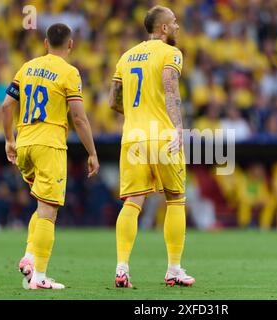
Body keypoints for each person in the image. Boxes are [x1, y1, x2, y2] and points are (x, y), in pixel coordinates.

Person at [1, 23, 99, 290]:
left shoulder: (27, 67)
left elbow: (6, 105)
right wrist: (92, 152)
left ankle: (30, 257)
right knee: (48, 211)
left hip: (24, 144)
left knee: (41, 203)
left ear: (45, 43)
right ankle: (40, 277)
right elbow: (78, 117)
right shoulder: (69, 72)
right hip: (50, 146)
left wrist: (10, 139)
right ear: (70, 45)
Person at [109, 5, 195, 288]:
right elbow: (170, 89)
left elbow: (113, 101)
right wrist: (178, 127)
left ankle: (122, 268)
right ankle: (173, 269)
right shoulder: (171, 53)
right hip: (162, 136)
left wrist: (137, 116)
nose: (178, 27)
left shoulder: (126, 56)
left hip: (132, 138)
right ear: (163, 28)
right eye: (174, 22)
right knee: (176, 199)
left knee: (132, 203)